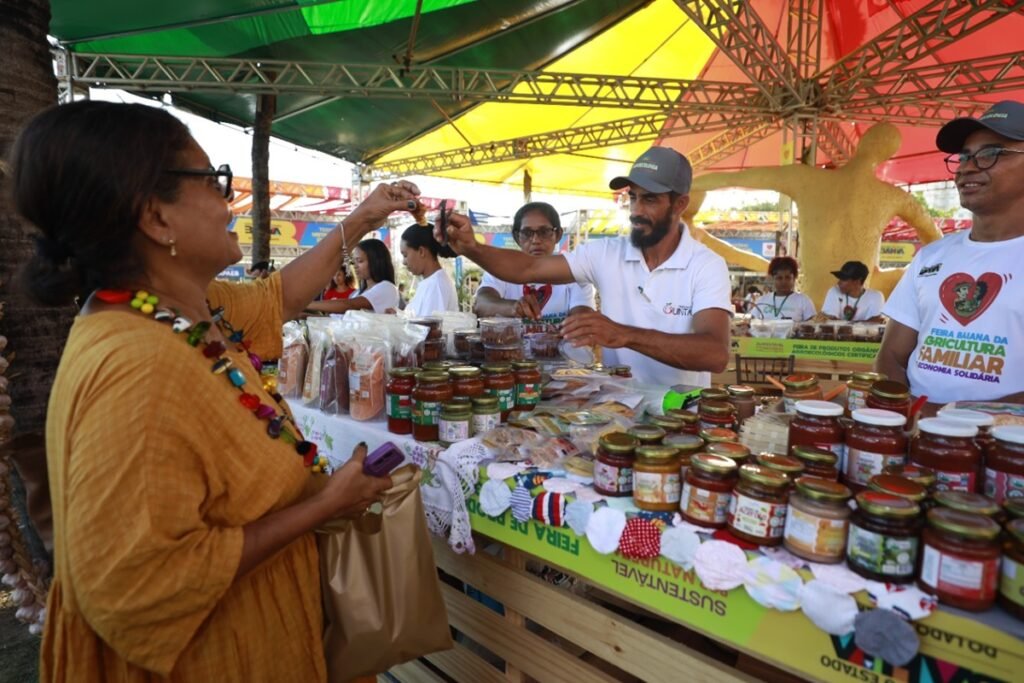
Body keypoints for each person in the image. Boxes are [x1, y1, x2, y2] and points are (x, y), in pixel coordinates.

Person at [9, 100, 425, 681]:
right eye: (211, 180)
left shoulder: (185, 312)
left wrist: (360, 219)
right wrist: (324, 506)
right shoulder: (136, 365)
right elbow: (137, 588)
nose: (227, 197)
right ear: (155, 218)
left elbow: (280, 298)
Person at [439, 147, 731, 386]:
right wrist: (472, 247)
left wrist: (623, 334)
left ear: (680, 204)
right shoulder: (606, 254)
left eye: (650, 200)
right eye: (633, 198)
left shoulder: (705, 265)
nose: (637, 211)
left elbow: (715, 354)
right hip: (621, 412)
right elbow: (528, 268)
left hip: (684, 418)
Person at [877, 99, 1024, 408]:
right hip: (917, 439)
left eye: (990, 154)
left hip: (1006, 447)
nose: (968, 167)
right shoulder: (930, 258)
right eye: (964, 157)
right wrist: (905, 413)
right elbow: (890, 356)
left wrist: (954, 419)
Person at [473, 202, 595, 323]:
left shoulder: (575, 273)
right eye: (527, 233)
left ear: (558, 235)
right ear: (517, 237)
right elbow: (482, 303)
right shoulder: (500, 269)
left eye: (544, 232)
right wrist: (513, 307)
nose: (536, 240)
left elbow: (582, 320)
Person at [306, 238, 399, 314]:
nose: (355, 266)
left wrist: (306, 305)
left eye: (360, 261)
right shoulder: (356, 293)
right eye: (354, 262)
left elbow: (349, 305)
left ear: (376, 261)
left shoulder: (386, 288)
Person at [400, 224, 458, 317]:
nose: (404, 262)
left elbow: (429, 328)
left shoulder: (436, 284)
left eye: (405, 255)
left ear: (421, 251)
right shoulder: (430, 282)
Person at [751, 257, 816, 322]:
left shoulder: (804, 301)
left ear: (794, 278)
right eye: (779, 278)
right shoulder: (762, 301)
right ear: (772, 279)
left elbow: (812, 327)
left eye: (788, 277)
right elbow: (751, 324)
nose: (784, 282)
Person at [820, 260, 885, 322]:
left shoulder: (876, 297)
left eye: (844, 279)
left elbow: (876, 322)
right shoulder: (834, 291)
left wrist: (843, 324)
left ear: (857, 281)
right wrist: (865, 323)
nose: (839, 282)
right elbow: (829, 321)